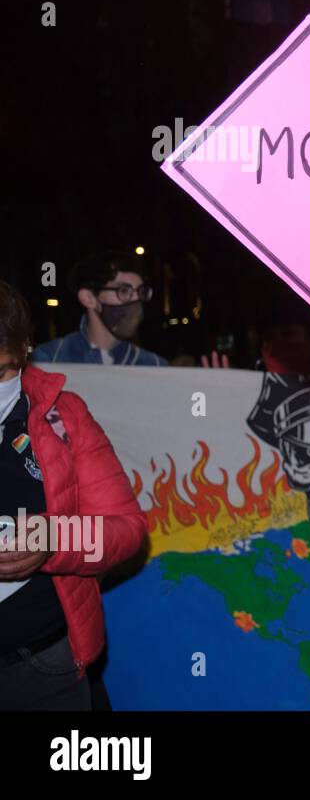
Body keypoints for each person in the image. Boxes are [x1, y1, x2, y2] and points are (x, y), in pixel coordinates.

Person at [0, 281, 147, 709]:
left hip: (41, 664)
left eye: (1, 371)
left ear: (26, 349)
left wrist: (54, 539)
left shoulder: (63, 415)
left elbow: (128, 528)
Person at [33, 251, 165, 366]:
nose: (136, 300)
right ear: (89, 298)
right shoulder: (50, 359)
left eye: (141, 292)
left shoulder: (154, 365)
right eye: (124, 291)